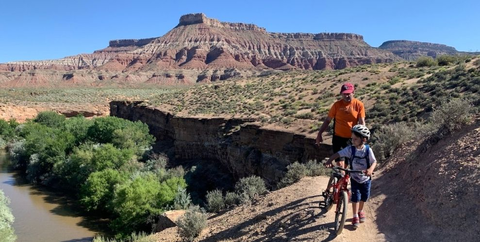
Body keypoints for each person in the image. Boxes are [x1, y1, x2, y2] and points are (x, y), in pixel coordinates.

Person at [324, 124, 377, 228]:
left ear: (364, 139)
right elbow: (338, 154)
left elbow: (374, 161)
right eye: (352, 139)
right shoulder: (350, 149)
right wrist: (330, 160)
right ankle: (355, 215)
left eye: (355, 139)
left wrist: (370, 170)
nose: (353, 141)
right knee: (355, 198)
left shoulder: (367, 150)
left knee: (364, 197)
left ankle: (361, 210)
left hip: (366, 179)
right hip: (355, 178)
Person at [315, 82, 365, 168]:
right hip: (338, 138)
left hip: (352, 139)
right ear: (341, 94)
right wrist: (319, 134)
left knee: (347, 165)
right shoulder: (337, 105)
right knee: (340, 165)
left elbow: (362, 122)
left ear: (353, 92)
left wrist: (363, 136)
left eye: (348, 94)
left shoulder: (359, 105)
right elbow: (327, 120)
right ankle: (339, 178)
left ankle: (345, 179)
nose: (346, 96)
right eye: (344, 94)